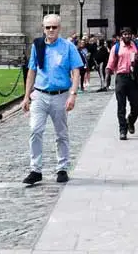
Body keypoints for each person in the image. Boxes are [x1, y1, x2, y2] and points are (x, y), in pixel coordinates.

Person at [21, 14, 83, 185]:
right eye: (47, 27)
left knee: (61, 133)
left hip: (60, 95)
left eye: (54, 27)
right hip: (40, 95)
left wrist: (73, 94)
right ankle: (35, 169)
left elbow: (76, 71)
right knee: (35, 130)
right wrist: (26, 96)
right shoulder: (38, 46)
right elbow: (32, 71)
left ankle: (62, 168)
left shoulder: (68, 47)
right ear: (43, 28)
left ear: (59, 28)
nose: (50, 30)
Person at [107, 27, 138, 140]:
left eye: (128, 34)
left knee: (136, 105)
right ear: (121, 36)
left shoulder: (137, 47)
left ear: (132, 35)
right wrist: (108, 73)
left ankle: (130, 120)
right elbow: (110, 63)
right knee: (121, 106)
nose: (127, 36)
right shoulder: (116, 47)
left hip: (134, 78)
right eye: (124, 34)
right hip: (121, 77)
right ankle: (122, 130)